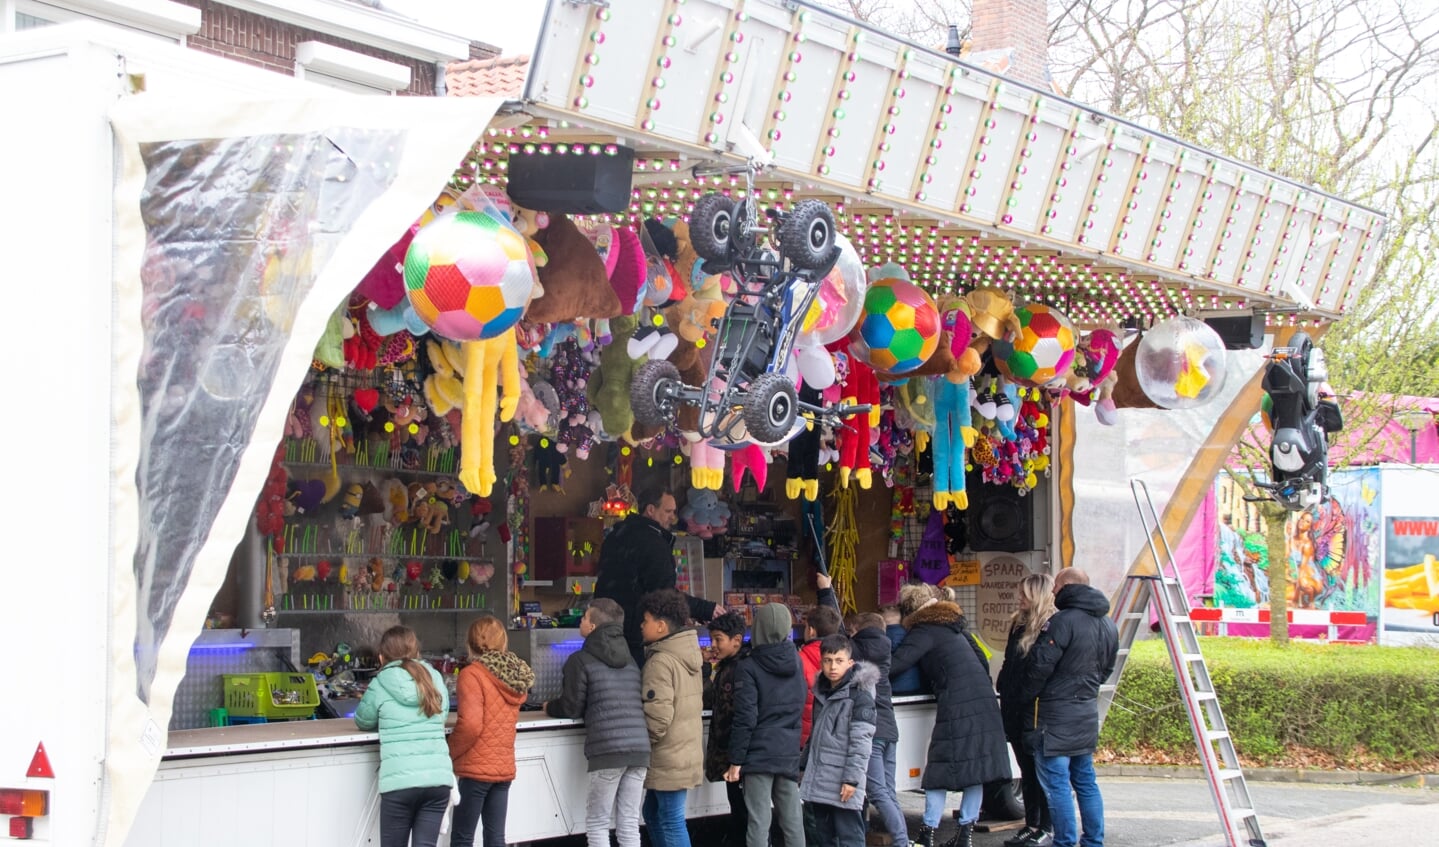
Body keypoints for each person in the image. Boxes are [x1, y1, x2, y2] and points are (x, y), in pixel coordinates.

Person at [890, 584, 1010, 847]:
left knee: (939, 769)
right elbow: (982, 660)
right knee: (976, 771)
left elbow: (897, 664)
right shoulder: (956, 627)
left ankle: (927, 833)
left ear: (909, 611)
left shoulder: (924, 630)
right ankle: (964, 835)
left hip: (958, 705)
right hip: (984, 703)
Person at [1018, 568, 1119, 847]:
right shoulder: (1108, 623)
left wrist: (1023, 699)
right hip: (1085, 713)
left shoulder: (1061, 622)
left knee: (1057, 785)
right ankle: (1093, 841)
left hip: (1054, 718)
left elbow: (1039, 667)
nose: (1052, 591)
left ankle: (1064, 842)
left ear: (1066, 586)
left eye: (1056, 585)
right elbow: (1108, 668)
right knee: (1086, 782)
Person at [543, 598, 651, 847]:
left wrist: (549, 707)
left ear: (592, 627)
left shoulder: (580, 660)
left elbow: (571, 707)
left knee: (598, 822)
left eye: (584, 617)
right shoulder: (631, 660)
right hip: (639, 750)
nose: (580, 621)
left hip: (608, 750)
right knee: (629, 822)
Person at [595, 488, 722, 665]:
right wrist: (705, 609)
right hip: (633, 635)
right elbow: (664, 595)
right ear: (650, 510)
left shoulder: (616, 535)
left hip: (604, 630)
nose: (673, 517)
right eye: (668, 511)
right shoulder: (653, 544)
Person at [353, 625, 454, 847]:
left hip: (400, 783)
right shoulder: (434, 677)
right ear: (416, 651)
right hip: (437, 781)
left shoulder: (381, 681)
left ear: (382, 656)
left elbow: (363, 720)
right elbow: (442, 714)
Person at [448, 615, 536, 847]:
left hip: (476, 768)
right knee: (495, 837)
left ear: (470, 642)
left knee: (462, 838)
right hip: (503, 766)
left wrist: (449, 752)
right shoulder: (514, 676)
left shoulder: (472, 674)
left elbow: (470, 725)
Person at [726, 603, 807, 847]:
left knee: (759, 821)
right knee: (793, 819)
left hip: (759, 754)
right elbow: (800, 703)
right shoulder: (796, 661)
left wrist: (736, 760)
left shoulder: (748, 667)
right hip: (788, 750)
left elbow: (745, 717)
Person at [638, 588, 705, 847]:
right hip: (684, 751)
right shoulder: (689, 656)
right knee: (654, 813)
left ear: (661, 626)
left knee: (670, 818)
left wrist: (643, 743)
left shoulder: (660, 662)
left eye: (646, 621)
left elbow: (657, 717)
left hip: (668, 755)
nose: (642, 626)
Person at [995, 574, 1058, 847]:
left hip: (1033, 707)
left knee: (1038, 770)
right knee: (1025, 768)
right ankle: (1031, 824)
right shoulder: (1018, 622)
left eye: (1024, 594)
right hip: (1012, 702)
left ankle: (1046, 825)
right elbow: (1012, 661)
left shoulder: (1051, 625)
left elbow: (1040, 670)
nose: (1019, 598)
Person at [799, 634, 878, 847]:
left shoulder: (860, 696)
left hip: (844, 780)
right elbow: (816, 735)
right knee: (824, 838)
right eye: (828, 660)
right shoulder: (821, 692)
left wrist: (852, 780)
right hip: (821, 777)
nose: (833, 666)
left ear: (850, 663)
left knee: (850, 837)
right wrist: (803, 766)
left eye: (839, 661)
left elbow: (861, 743)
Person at [847, 611, 908, 847]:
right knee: (888, 791)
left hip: (872, 729)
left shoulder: (856, 649)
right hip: (889, 727)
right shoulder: (885, 648)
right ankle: (902, 839)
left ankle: (902, 842)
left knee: (877, 791)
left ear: (858, 630)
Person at [703, 611, 752, 847]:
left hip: (737, 758)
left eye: (718, 639)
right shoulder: (728, 666)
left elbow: (741, 716)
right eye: (711, 639)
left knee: (743, 813)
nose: (713, 645)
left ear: (736, 640)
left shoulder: (738, 670)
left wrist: (735, 760)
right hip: (733, 757)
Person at [882, 604, 926, 696]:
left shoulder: (884, 636)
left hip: (895, 686)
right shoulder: (909, 633)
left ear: (883, 620)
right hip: (914, 684)